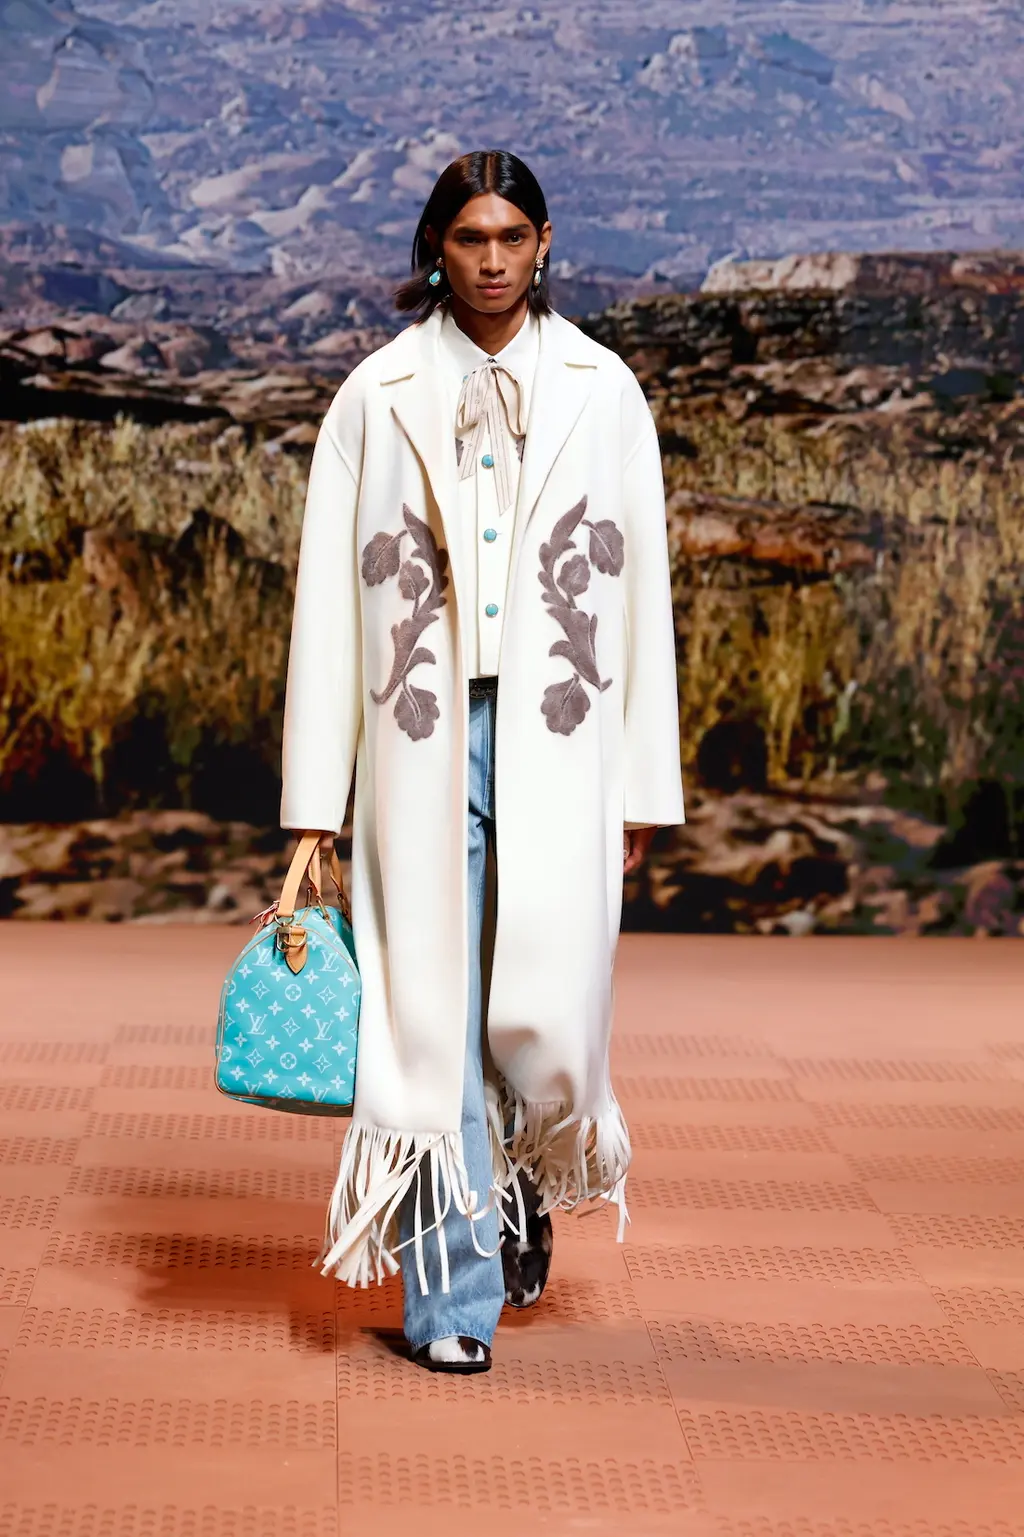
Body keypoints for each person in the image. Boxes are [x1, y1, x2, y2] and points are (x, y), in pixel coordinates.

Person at [280, 148, 684, 1374]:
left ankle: (513, 1190)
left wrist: (643, 784)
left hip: (560, 735)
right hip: (418, 738)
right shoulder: (377, 394)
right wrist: (314, 802)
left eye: (512, 237)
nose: (493, 260)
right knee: (430, 1013)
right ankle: (450, 1298)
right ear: (435, 250)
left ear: (545, 243)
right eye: (470, 239)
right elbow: (328, 606)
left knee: (540, 999)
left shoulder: (604, 392)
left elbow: (642, 599)